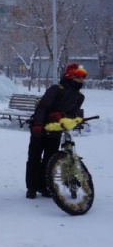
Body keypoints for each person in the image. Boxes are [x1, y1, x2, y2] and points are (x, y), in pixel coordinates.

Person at [25, 63, 86, 199]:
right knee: (34, 157)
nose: (82, 81)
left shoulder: (79, 97)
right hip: (40, 128)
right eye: (79, 77)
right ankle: (32, 187)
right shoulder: (56, 89)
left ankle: (45, 186)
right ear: (71, 77)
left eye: (83, 78)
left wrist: (63, 116)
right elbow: (42, 107)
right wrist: (38, 124)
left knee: (50, 159)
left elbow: (73, 113)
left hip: (56, 130)